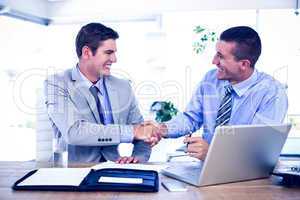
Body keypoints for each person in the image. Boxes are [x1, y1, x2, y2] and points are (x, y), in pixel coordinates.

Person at [147, 26, 288, 160]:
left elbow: (258, 150)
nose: (214, 61)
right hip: (206, 171)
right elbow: (191, 118)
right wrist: (161, 129)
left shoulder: (272, 93)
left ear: (244, 64)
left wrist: (212, 154)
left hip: (246, 177)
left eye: (220, 56)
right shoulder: (211, 79)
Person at [44, 22, 157, 164]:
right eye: (108, 53)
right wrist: (132, 132)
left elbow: (142, 133)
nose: (114, 59)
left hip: (114, 170)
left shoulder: (123, 87)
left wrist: (137, 158)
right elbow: (74, 132)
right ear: (86, 53)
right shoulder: (57, 84)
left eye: (115, 53)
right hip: (72, 173)